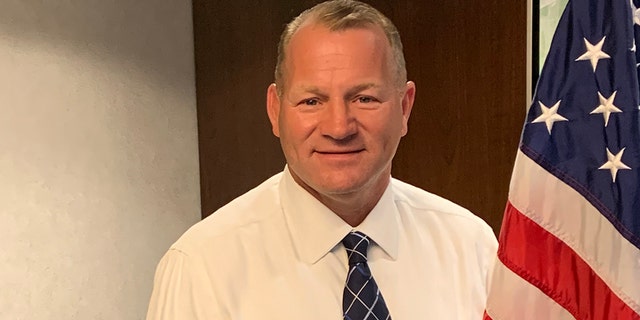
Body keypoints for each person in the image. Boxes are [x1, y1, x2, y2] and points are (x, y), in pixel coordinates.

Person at [146, 0, 497, 319]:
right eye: (312, 101)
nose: (339, 127)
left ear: (404, 107)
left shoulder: (471, 247)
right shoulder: (201, 268)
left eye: (365, 98)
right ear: (275, 110)